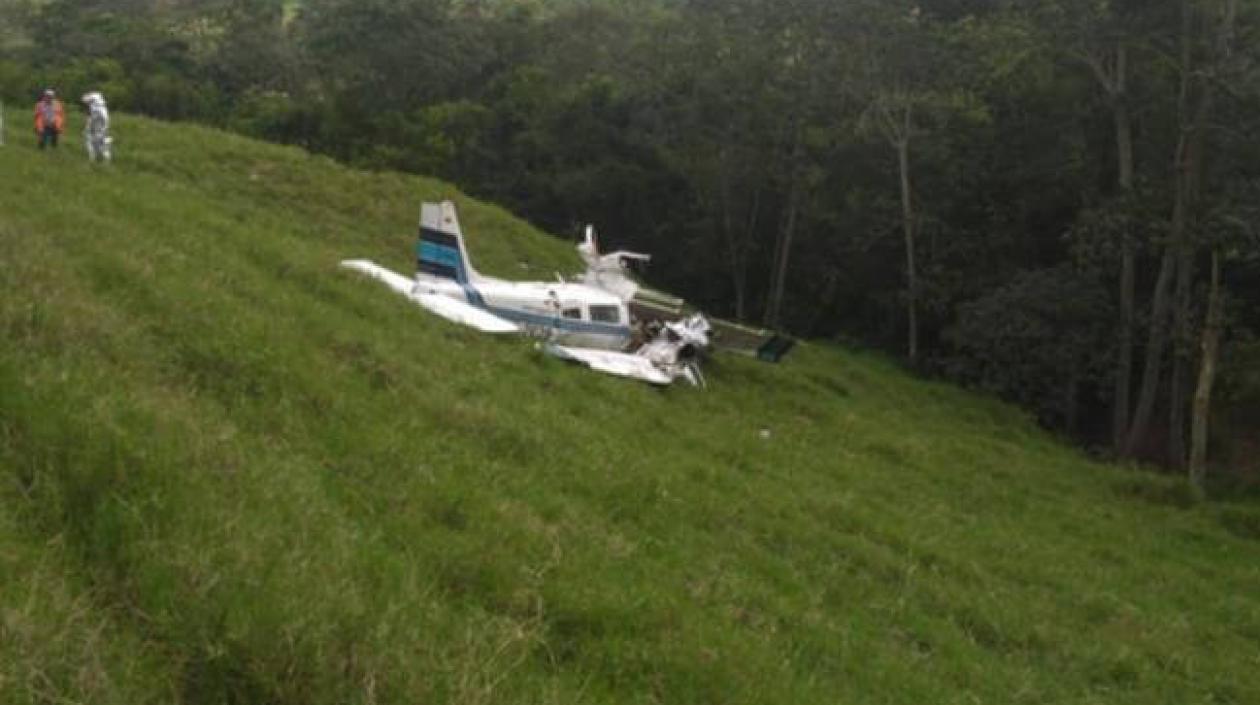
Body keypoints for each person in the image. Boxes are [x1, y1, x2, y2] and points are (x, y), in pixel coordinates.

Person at [81, 91, 112, 163]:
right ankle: (105, 159)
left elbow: (92, 119)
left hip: (97, 122)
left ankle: (94, 158)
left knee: (91, 138)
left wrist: (87, 128)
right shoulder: (103, 108)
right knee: (102, 139)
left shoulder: (95, 106)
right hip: (102, 122)